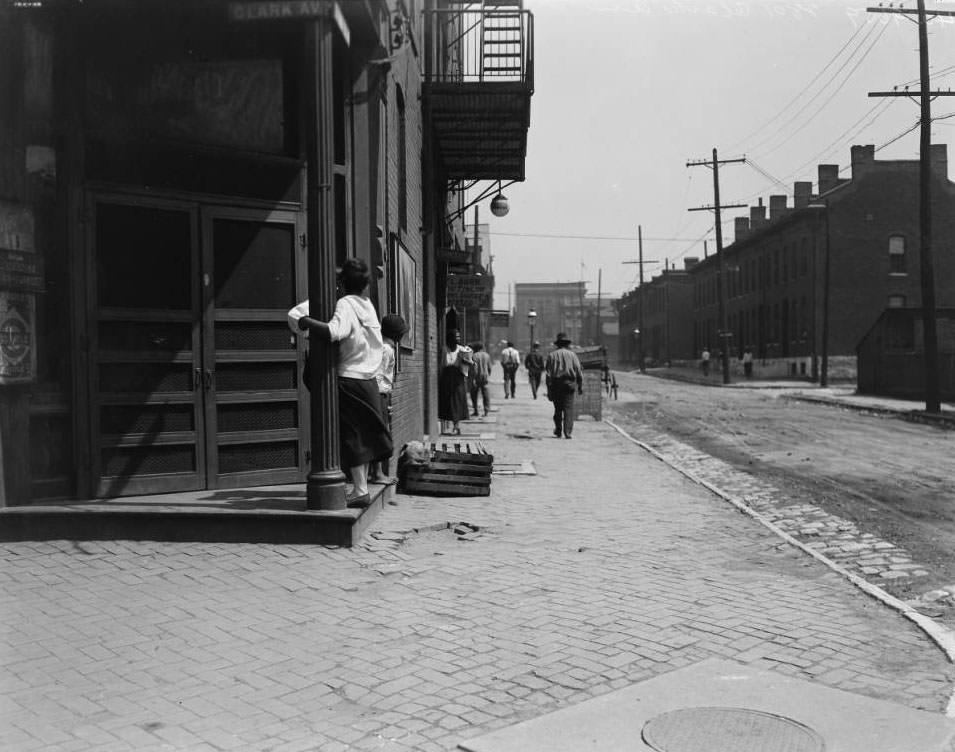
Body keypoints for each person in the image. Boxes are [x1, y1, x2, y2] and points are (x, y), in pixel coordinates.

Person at [288, 258, 392, 508]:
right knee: (364, 435)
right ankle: (361, 487)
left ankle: (359, 490)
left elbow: (335, 331)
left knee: (352, 436)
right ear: (365, 285)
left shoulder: (345, 303)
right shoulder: (367, 305)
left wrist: (306, 323)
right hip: (369, 379)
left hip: (347, 378)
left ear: (342, 283)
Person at [370, 314, 407, 486]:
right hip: (378, 395)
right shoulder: (387, 349)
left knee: (378, 433)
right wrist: (383, 396)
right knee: (379, 434)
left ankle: (376, 472)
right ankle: (377, 473)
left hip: (378, 395)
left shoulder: (380, 346)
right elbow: (379, 375)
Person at [545, 332, 584, 440]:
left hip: (556, 385)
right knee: (568, 409)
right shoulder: (572, 355)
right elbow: (579, 372)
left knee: (557, 409)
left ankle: (558, 430)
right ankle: (567, 432)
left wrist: (549, 390)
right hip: (569, 384)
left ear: (557, 344)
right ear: (567, 344)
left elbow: (548, 375)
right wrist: (580, 386)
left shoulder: (551, 355)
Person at [438, 330, 471, 435]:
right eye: (456, 336)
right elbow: (441, 365)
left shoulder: (462, 350)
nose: (458, 338)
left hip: (458, 378)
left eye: (459, 336)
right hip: (446, 378)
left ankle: (456, 425)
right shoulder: (444, 349)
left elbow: (468, 363)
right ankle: (450, 424)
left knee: (457, 401)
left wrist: (469, 361)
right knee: (447, 401)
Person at [468, 342, 492, 417]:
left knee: (474, 394)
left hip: (476, 377)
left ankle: (476, 411)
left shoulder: (474, 356)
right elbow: (489, 367)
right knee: (486, 395)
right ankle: (486, 411)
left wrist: (473, 379)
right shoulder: (487, 355)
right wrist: (488, 375)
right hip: (485, 377)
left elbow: (474, 368)